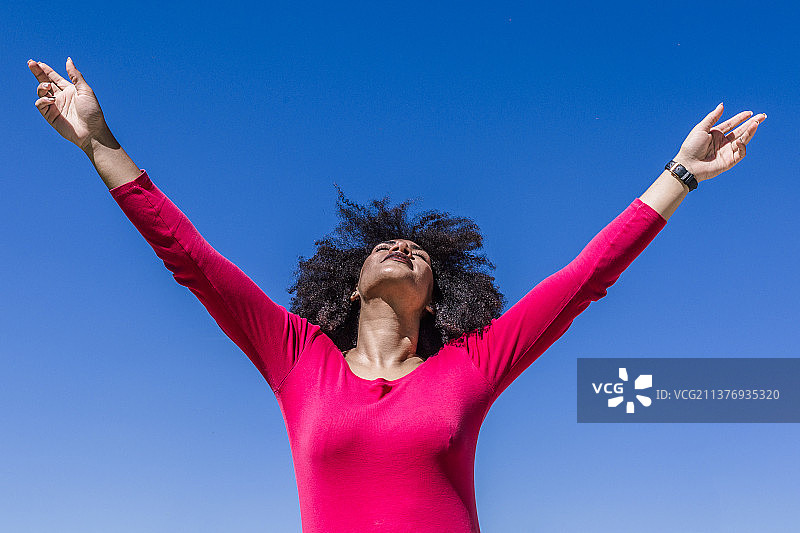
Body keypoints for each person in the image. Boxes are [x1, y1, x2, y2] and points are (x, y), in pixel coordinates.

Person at [28, 57, 766, 533]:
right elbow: (190, 258)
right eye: (387, 244)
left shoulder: (470, 367)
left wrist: (682, 173)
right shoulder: (298, 359)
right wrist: (98, 143)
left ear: (437, 298)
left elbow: (583, 281)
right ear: (352, 285)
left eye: (421, 255)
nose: (404, 246)